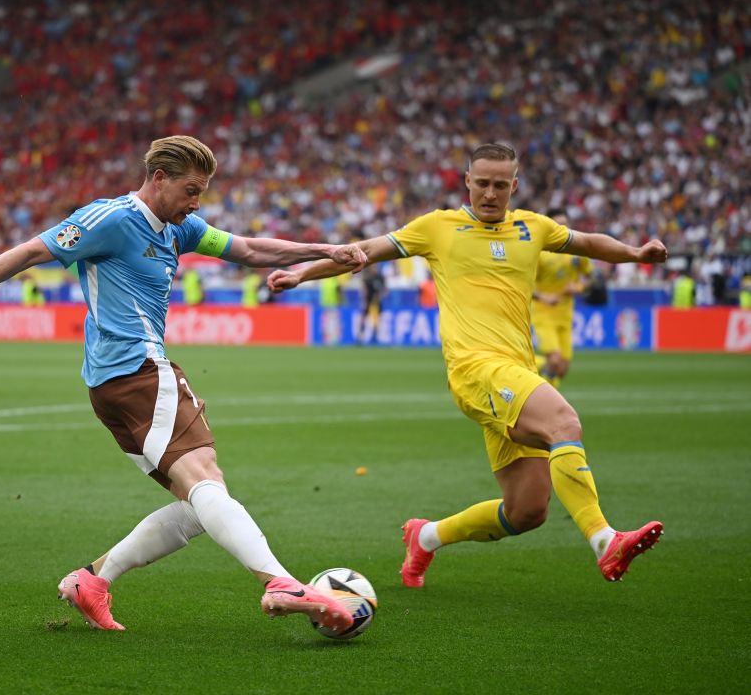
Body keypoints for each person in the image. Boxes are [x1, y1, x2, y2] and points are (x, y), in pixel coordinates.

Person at [0, 135, 369, 631]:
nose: (196, 203)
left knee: (199, 503)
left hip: (113, 386)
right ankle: (280, 581)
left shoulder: (180, 227)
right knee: (204, 479)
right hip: (139, 371)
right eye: (190, 190)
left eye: (202, 193)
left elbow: (247, 249)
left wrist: (321, 250)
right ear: (159, 180)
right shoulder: (110, 219)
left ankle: (92, 580)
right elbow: (31, 251)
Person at [269, 142, 666, 586]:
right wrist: (302, 273)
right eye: (482, 183)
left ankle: (427, 537)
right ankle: (604, 541)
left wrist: (634, 253)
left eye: (500, 185)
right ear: (468, 182)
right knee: (563, 422)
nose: (491, 193)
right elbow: (361, 250)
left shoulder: (533, 228)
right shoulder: (438, 227)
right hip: (475, 369)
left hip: (517, 373)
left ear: (514, 186)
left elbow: (587, 242)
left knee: (527, 510)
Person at [531, 208, 592, 388]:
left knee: (562, 368)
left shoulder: (577, 253)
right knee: (555, 361)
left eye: (565, 224)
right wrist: (544, 297)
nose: (562, 228)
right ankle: (526, 369)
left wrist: (578, 287)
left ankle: (541, 375)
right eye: (558, 224)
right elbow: (525, 285)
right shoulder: (539, 254)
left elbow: (592, 279)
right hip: (543, 313)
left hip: (565, 314)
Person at [357, 264, 387, 344]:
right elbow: (364, 290)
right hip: (368, 301)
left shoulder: (380, 278)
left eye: (375, 267)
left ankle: (375, 338)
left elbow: (385, 290)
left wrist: (380, 296)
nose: (374, 268)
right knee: (364, 318)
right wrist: (364, 301)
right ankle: (360, 337)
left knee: (377, 320)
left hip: (377, 302)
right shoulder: (368, 278)